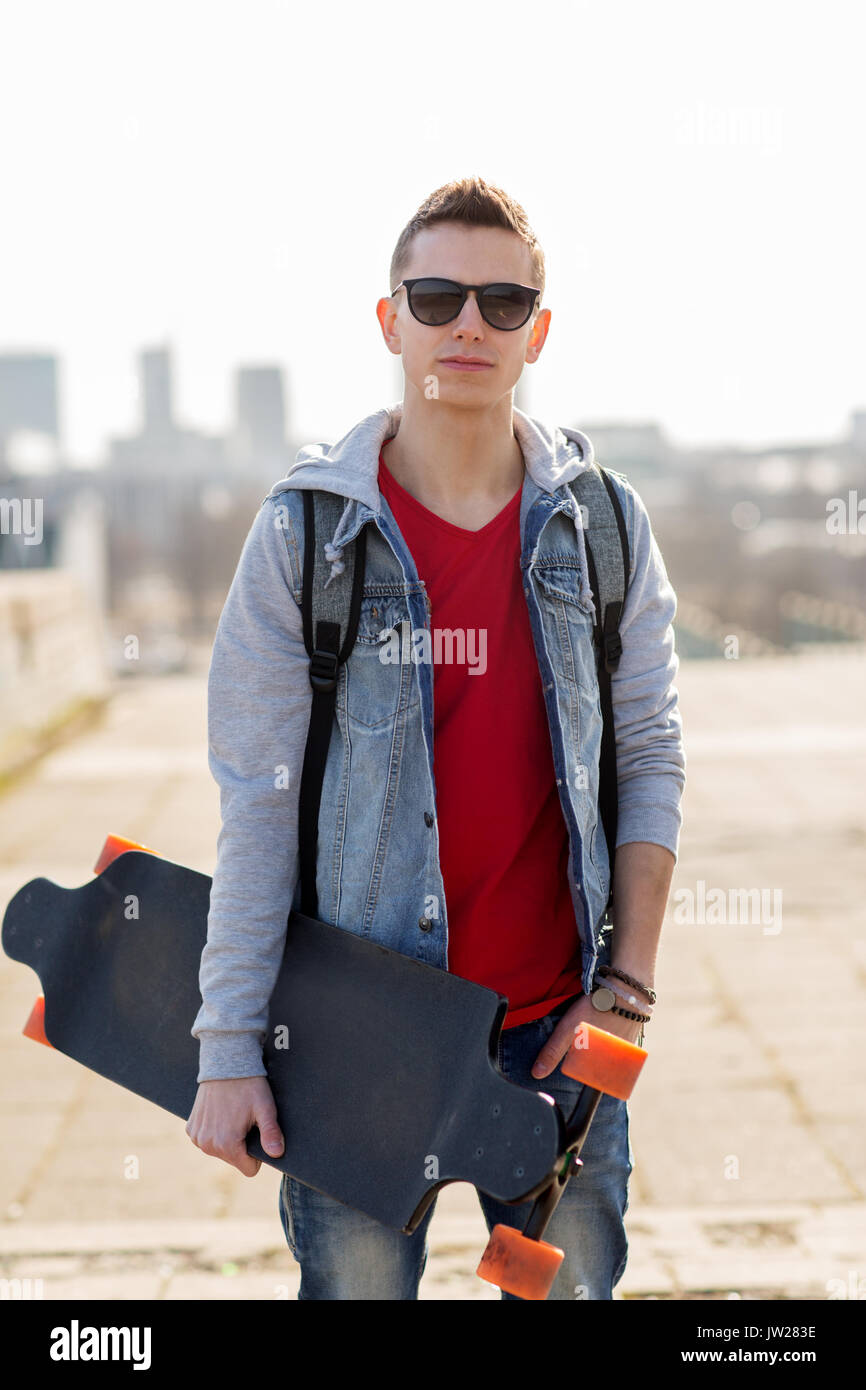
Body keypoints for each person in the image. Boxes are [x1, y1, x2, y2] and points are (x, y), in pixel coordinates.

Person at [185, 176, 685, 1300]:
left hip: (560, 1040)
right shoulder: (304, 536)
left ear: (537, 334)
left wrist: (624, 994)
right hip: (355, 1046)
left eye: (504, 302)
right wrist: (225, 1049)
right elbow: (258, 801)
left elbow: (648, 756)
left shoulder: (600, 524)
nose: (469, 323)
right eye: (438, 294)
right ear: (389, 319)